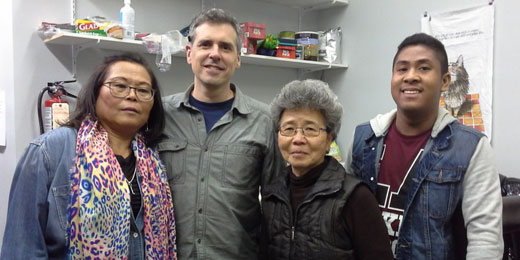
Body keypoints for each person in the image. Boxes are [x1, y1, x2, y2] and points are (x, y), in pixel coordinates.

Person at [1, 53, 177, 259]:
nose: (132, 96)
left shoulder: (156, 159)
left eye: (143, 90)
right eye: (120, 86)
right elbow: (22, 248)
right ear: (95, 92)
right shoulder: (50, 150)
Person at [345, 33, 503, 259]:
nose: (410, 77)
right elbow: (343, 215)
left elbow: (485, 236)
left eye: (423, 68)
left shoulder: (471, 147)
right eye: (402, 69)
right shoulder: (363, 137)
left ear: (445, 81)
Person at [158, 8, 280, 260]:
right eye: (205, 44)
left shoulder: (264, 121)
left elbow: (276, 207)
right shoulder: (159, 115)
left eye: (225, 47)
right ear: (190, 53)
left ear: (238, 59)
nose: (215, 54)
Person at [260, 79, 393, 260]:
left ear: (329, 139)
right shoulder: (272, 194)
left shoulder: (355, 197)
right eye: (289, 128)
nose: (298, 138)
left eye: (310, 129)